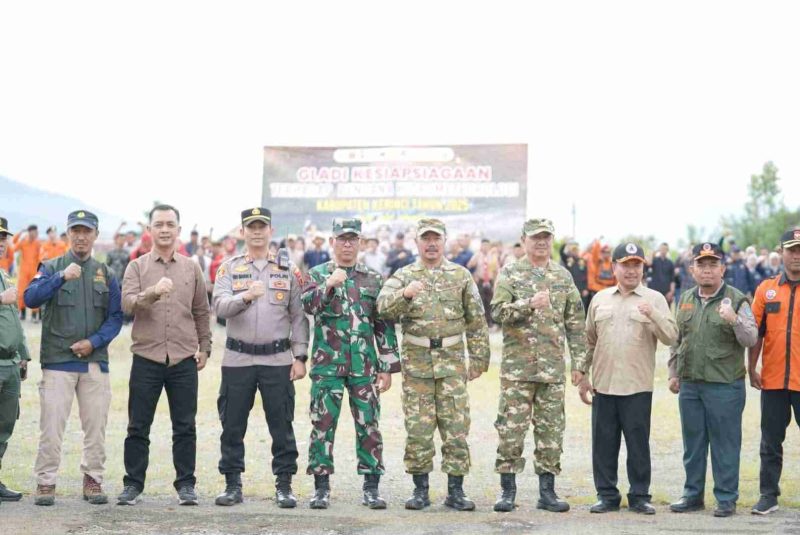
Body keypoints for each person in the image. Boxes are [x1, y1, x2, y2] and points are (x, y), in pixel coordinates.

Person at [377, 218, 489, 511]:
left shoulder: (460, 275)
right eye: (425, 238)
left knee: (455, 427)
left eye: (436, 238)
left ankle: (455, 491)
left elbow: (476, 320)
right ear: (417, 242)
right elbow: (381, 306)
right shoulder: (404, 275)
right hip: (417, 366)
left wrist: (478, 358)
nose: (431, 243)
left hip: (452, 364)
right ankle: (420, 490)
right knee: (418, 428)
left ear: (444, 241)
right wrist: (405, 294)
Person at [24, 210, 123, 506]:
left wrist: (93, 342)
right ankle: (46, 482)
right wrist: (59, 278)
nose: (81, 236)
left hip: (94, 363)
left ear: (95, 235)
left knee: (96, 427)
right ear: (68, 234)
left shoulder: (106, 273)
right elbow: (30, 298)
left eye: (87, 231)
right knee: (52, 426)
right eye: (75, 231)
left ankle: (93, 480)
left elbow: (116, 317)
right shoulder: (52, 265)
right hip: (58, 362)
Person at [211, 208, 308, 508]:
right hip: (238, 358)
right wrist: (246, 297)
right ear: (242, 232)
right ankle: (232, 484)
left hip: (277, 359)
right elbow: (219, 308)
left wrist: (300, 355)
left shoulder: (287, 270)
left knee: (281, 424)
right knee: (232, 425)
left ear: (270, 230)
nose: (256, 232)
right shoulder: (229, 268)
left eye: (261, 227)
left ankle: (284, 484)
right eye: (250, 227)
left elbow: (298, 315)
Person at [302, 218, 401, 509]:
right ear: (332, 242)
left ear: (360, 243)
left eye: (352, 239)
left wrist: (388, 365)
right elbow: (307, 306)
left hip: (364, 367)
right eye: (342, 238)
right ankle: (321, 487)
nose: (347, 244)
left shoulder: (373, 277)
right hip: (327, 365)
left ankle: (371, 487)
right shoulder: (318, 273)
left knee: (369, 425)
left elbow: (383, 324)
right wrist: (329, 285)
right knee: (322, 425)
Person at [490, 218, 586, 513]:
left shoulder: (562, 276)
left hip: (552, 370)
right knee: (511, 430)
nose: (541, 242)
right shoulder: (511, 272)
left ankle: (547, 492)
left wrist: (579, 364)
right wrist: (527, 303)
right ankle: (507, 491)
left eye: (546, 237)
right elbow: (496, 312)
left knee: (551, 432)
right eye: (535, 237)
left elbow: (576, 323)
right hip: (518, 371)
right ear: (524, 240)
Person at [118, 204, 211, 506]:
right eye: (159, 224)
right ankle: (133, 485)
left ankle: (186, 485)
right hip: (147, 357)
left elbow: (201, 310)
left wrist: (205, 347)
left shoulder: (191, 267)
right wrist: (153, 292)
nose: (165, 229)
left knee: (185, 426)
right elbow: (128, 305)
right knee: (137, 426)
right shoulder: (137, 267)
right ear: (150, 230)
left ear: (179, 229)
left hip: (183, 359)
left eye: (170, 224)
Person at [579, 242, 677, 514]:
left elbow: (671, 337)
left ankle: (640, 496)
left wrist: (653, 313)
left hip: (637, 385)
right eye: (626, 264)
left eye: (636, 265)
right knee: (603, 445)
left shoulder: (655, 298)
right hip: (604, 384)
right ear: (614, 267)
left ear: (643, 268)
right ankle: (607, 495)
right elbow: (589, 340)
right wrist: (583, 375)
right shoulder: (600, 299)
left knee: (637, 445)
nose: (631, 270)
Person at [668, 242, 758, 517]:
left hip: (724, 386)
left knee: (725, 444)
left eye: (712, 265)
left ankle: (726, 498)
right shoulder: (684, 299)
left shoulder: (737, 298)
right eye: (701, 265)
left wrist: (733, 319)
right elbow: (676, 340)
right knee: (693, 445)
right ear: (692, 269)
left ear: (722, 268)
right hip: (691, 385)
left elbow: (751, 338)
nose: (707, 270)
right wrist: (673, 373)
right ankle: (692, 495)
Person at [748, 229, 800, 515]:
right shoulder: (766, 289)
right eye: (792, 250)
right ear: (781, 252)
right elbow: (756, 332)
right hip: (773, 380)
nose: (797, 256)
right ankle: (768, 495)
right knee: (770, 442)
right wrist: (750, 367)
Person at [0, 217, 30, 504]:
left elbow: (14, 322)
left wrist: (24, 356)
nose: (0, 243)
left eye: (3, 238)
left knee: (4, 426)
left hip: (9, 364)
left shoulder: (3, 275)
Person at [12, 224, 42, 321]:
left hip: (34, 272)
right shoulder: (23, 242)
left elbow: (40, 257)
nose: (36, 234)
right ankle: (22, 313)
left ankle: (34, 315)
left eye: (36, 232)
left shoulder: (38, 243)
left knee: (35, 293)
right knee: (21, 293)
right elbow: (13, 247)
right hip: (24, 273)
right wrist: (20, 234)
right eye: (34, 232)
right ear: (30, 232)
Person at [560, 240, 590, 311]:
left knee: (583, 308)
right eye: (573, 250)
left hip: (582, 289)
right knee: (571, 308)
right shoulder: (568, 260)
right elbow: (561, 253)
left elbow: (586, 275)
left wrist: (586, 288)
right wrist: (565, 243)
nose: (575, 252)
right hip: (571, 288)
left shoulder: (582, 261)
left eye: (576, 250)